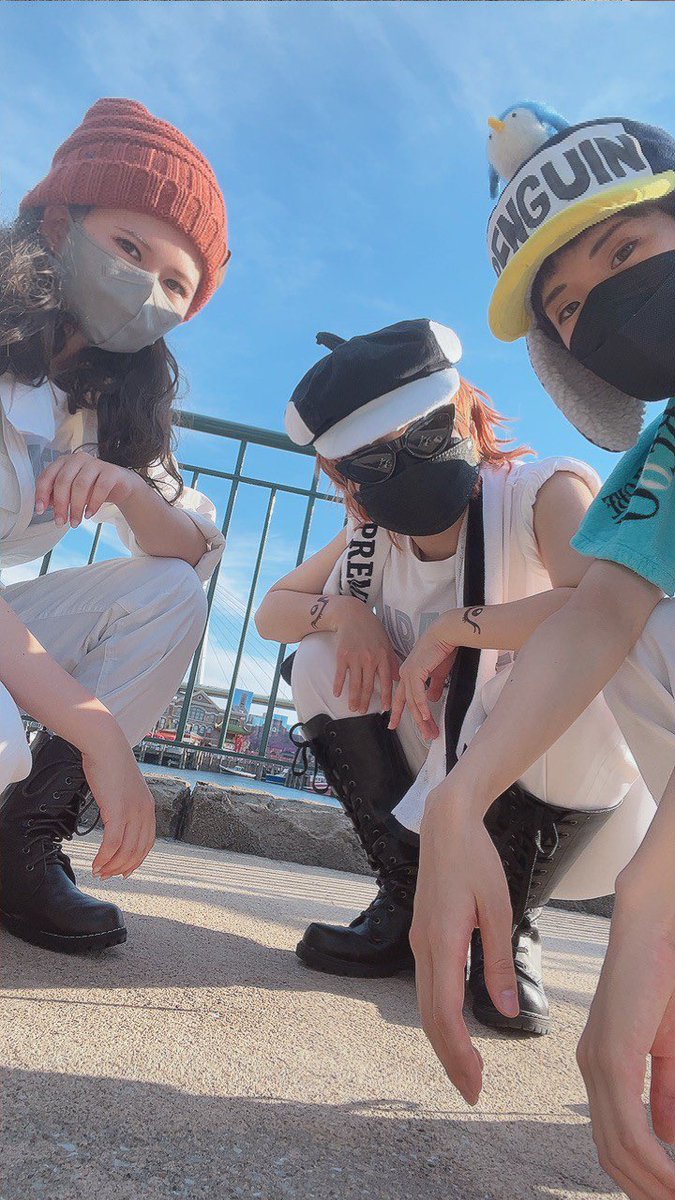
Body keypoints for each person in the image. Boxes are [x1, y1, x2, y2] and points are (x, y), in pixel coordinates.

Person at [397, 111, 675, 1200]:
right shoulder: (663, 455)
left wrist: (652, 899)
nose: (601, 303)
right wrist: (458, 800)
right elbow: (601, 614)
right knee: (639, 626)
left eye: (626, 249)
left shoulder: (534, 488)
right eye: (567, 306)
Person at [255, 318, 653, 1039]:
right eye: (374, 458)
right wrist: (344, 612)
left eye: (428, 431)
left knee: (590, 679)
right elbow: (272, 613)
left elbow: (599, 606)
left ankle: (507, 924)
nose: (409, 459)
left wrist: (454, 627)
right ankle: (406, 896)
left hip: (542, 780)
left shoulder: (539, 491)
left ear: (466, 412)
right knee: (316, 657)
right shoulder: (369, 541)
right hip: (431, 753)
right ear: (347, 478)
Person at [0, 97, 229, 954]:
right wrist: (98, 734)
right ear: (59, 221)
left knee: (168, 591)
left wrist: (132, 493)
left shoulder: (106, 404)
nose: (147, 291)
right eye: (130, 249)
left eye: (176, 284)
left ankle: (23, 843)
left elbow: (192, 549)